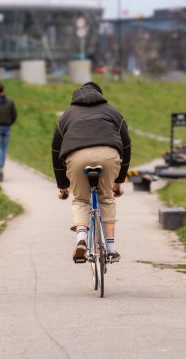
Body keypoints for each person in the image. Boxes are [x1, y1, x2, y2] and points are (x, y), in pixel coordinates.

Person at [51, 81, 131, 262]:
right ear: (100, 95)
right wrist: (118, 182)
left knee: (80, 199)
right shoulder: (112, 112)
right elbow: (126, 146)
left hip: (77, 157)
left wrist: (63, 187)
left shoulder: (67, 115)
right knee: (106, 199)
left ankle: (81, 239)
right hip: (108, 155)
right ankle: (111, 248)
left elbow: (56, 151)